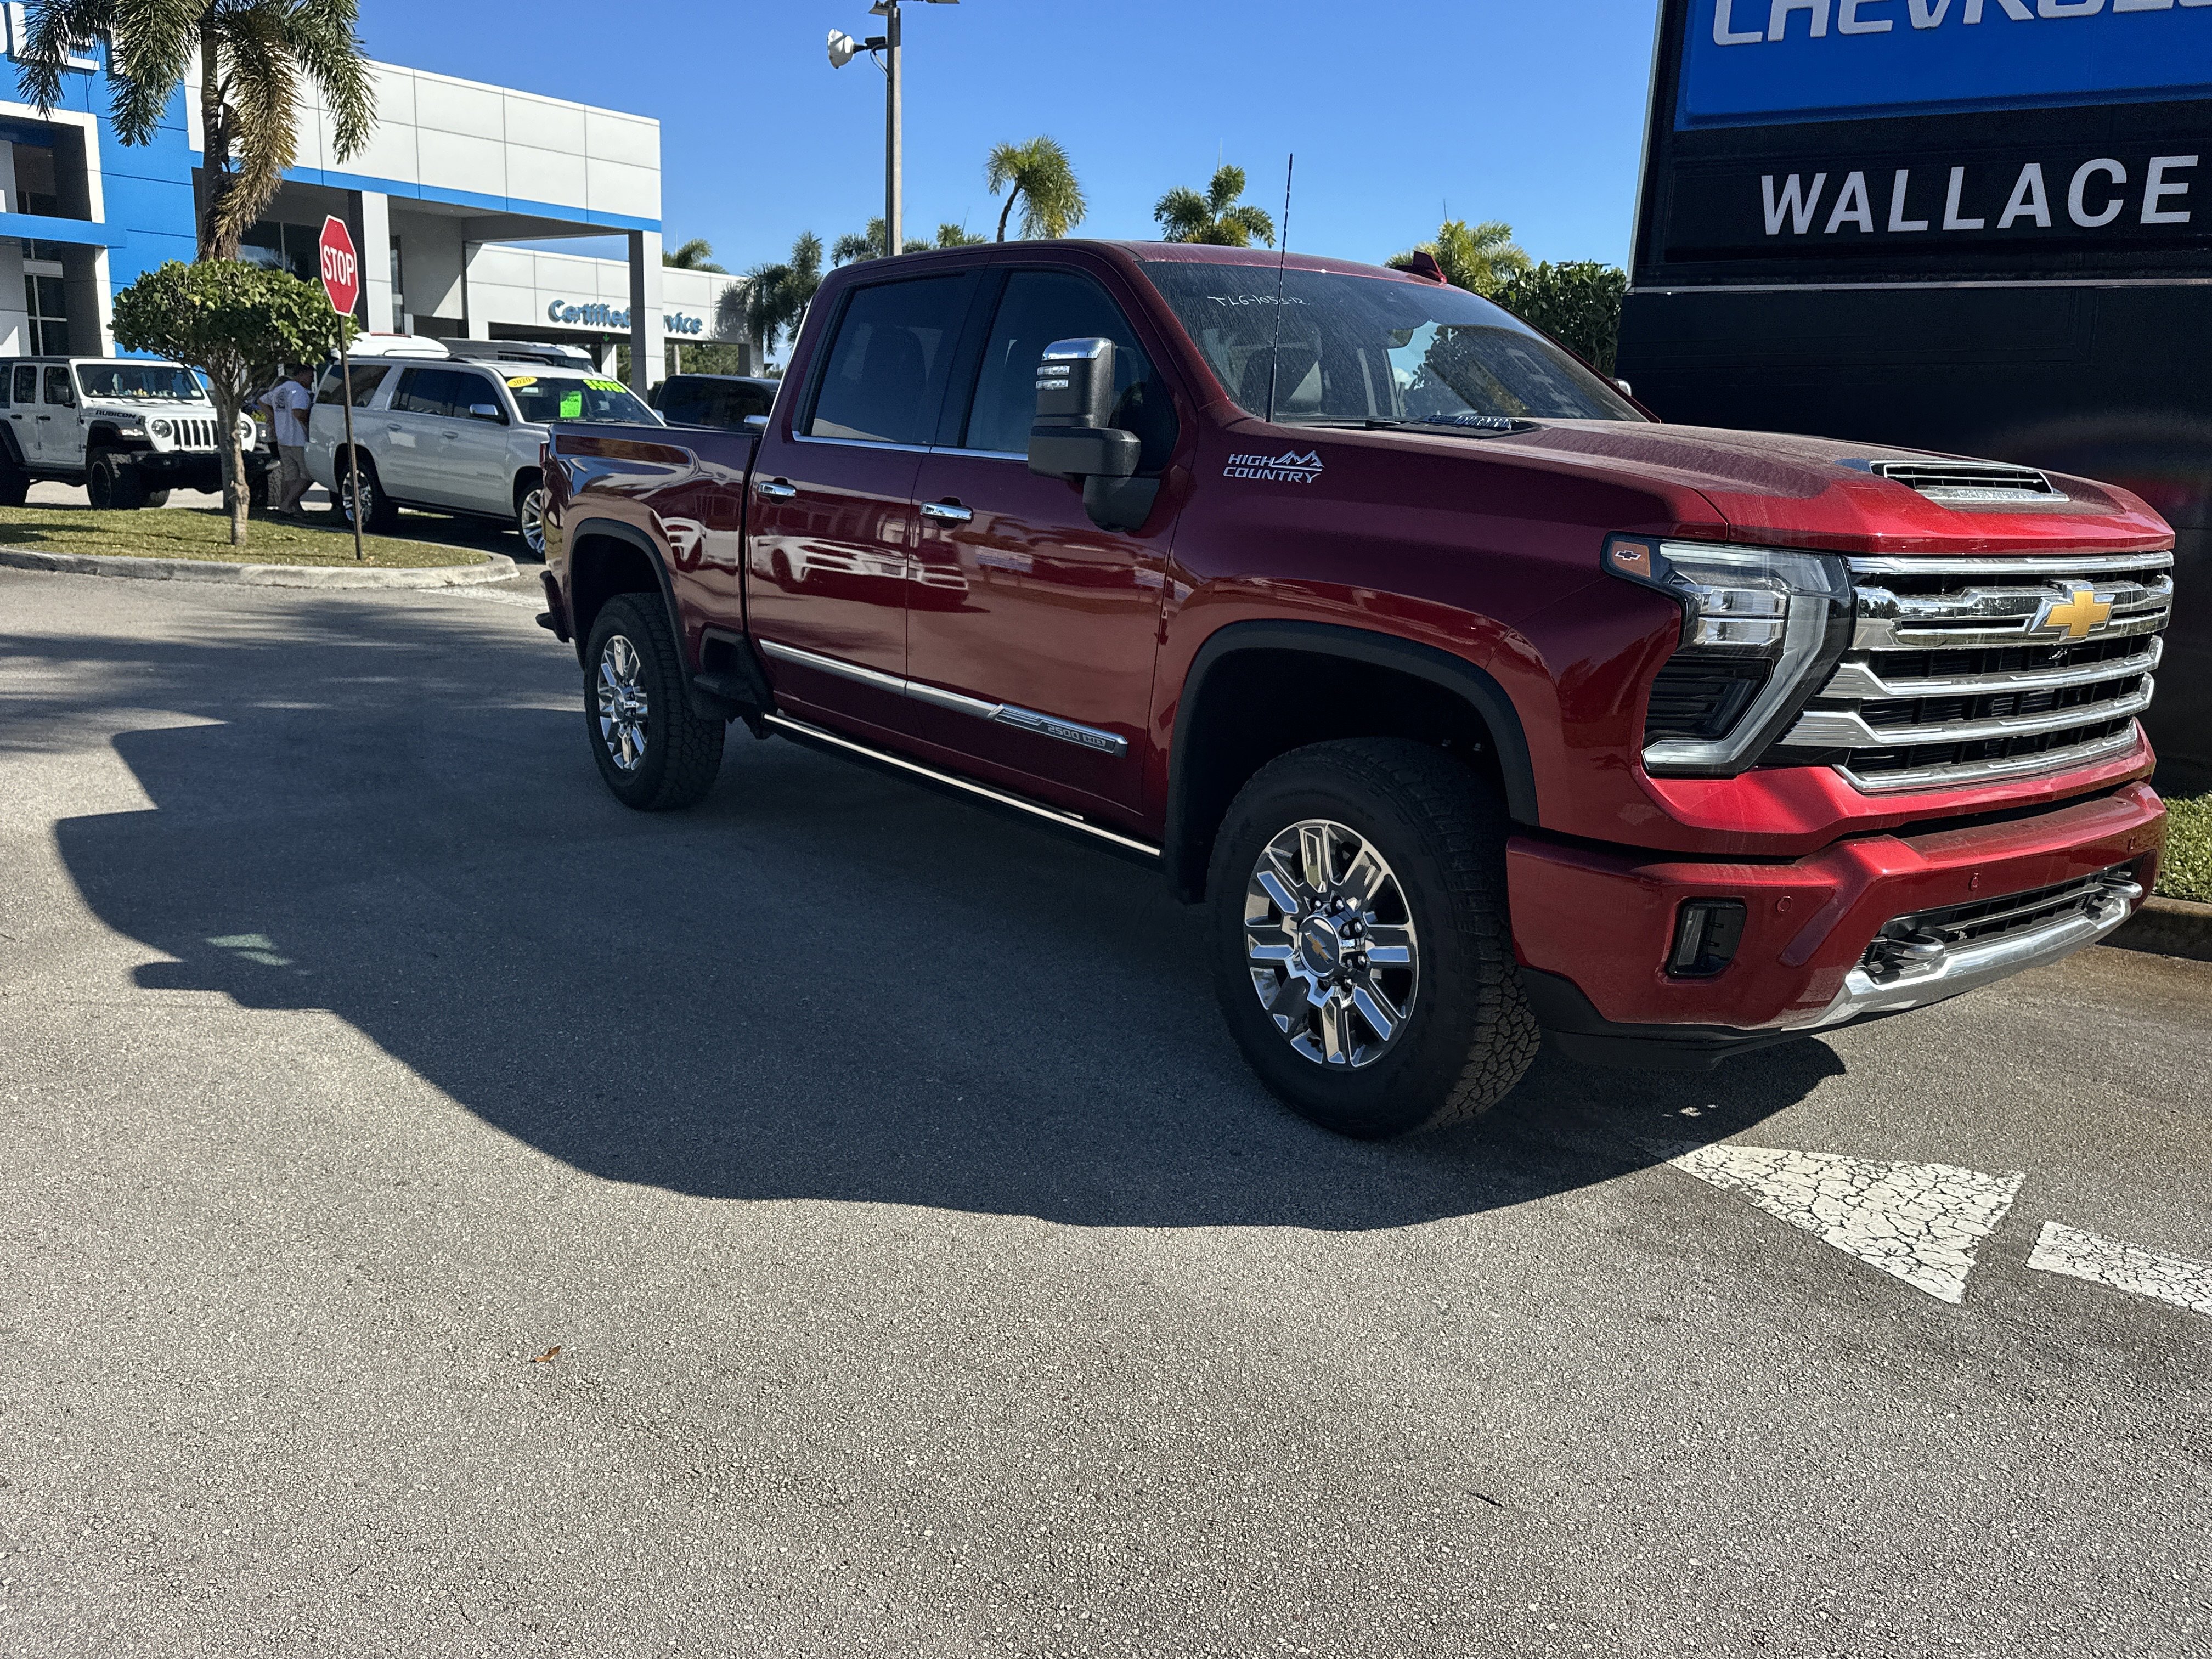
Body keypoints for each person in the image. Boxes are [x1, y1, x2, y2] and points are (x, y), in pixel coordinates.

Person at [257, 364, 315, 516]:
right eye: (310, 377)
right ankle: (287, 503)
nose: (312, 381)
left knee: (291, 475)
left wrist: (273, 416)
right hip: (299, 439)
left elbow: (262, 401)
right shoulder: (299, 392)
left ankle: (294, 508)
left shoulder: (280, 389)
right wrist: (311, 417)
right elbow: (298, 413)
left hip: (283, 439)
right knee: (308, 476)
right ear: (301, 374)